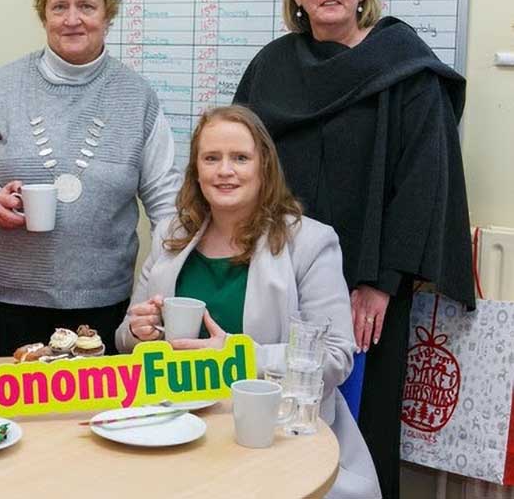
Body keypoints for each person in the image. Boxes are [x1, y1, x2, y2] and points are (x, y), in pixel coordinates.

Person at [232, 0, 473, 499]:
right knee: (271, 424)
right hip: (280, 277)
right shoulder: (272, 66)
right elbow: (240, 159)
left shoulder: (404, 66)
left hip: (367, 289)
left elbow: (423, 184)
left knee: (357, 437)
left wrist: (381, 283)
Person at [115, 105, 381, 499]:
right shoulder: (171, 234)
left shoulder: (310, 242)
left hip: (273, 439)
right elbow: (125, 339)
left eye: (240, 158)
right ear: (196, 170)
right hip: (175, 429)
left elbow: (335, 357)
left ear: (264, 167)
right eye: (211, 158)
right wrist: (140, 333)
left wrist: (238, 356)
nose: (225, 170)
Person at [0, 0, 181, 356]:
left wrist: (162, 283)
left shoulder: (138, 97)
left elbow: (166, 199)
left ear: (108, 15)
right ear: (44, 16)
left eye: (86, 6)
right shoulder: (3, 85)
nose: (73, 19)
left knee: (91, 399)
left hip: (102, 305)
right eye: (59, 7)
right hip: (3, 301)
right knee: (9, 398)